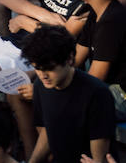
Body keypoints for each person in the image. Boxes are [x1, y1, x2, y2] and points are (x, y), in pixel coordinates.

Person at [17, 24, 114, 163]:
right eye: (37, 68)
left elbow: (100, 156)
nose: (43, 75)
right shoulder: (40, 85)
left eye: (49, 68)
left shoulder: (97, 94)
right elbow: (47, 132)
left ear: (69, 59)